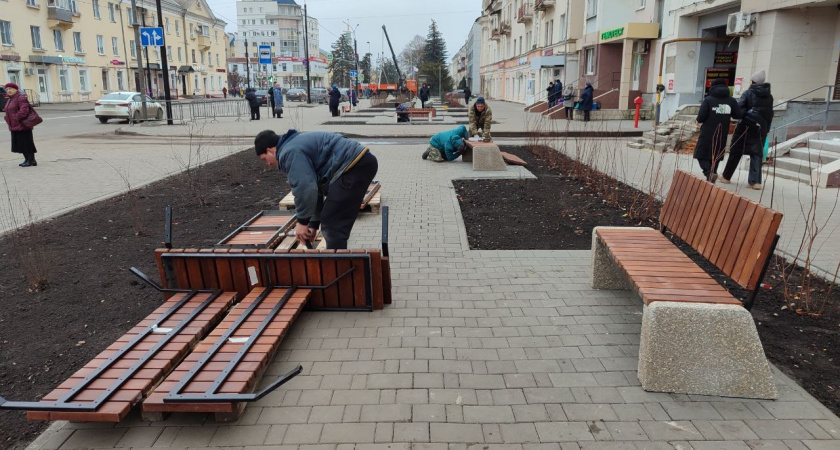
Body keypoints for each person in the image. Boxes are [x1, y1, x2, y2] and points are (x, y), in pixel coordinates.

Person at [254, 129, 378, 249]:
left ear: (270, 150)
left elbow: (306, 189)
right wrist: (313, 223)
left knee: (332, 222)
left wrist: (302, 222)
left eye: (265, 159)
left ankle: (338, 267)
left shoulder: (289, 152)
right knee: (332, 220)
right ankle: (338, 262)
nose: (268, 164)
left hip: (353, 167)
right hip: (356, 164)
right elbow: (315, 187)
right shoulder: (293, 144)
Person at [721, 70, 774, 189]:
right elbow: (770, 114)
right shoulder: (769, 96)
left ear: (753, 81)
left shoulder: (748, 93)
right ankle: (755, 182)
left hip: (745, 126)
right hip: (761, 128)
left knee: (736, 151)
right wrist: (767, 128)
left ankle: (726, 177)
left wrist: (745, 114)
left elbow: (739, 110)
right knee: (757, 154)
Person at [695, 78, 741, 182]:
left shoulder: (708, 100)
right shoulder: (731, 100)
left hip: (707, 132)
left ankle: (708, 173)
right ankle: (712, 175)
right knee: (716, 155)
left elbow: (701, 117)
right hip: (722, 133)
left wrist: (698, 119)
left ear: (713, 87)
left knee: (700, 154)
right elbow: (738, 115)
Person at [4, 83, 39, 167]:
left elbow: (24, 110)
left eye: (11, 88)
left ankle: (31, 160)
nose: (9, 90)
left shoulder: (20, 98)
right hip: (15, 125)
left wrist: (16, 118)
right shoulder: (10, 99)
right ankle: (28, 159)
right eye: (7, 89)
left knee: (26, 143)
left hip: (23, 125)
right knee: (21, 144)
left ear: (16, 89)